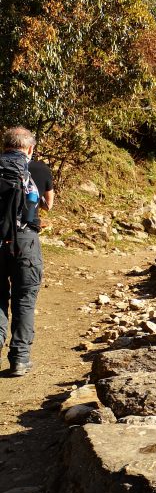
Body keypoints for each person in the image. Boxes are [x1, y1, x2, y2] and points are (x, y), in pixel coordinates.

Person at [0, 127, 45, 377]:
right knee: (24, 300)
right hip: (25, 241)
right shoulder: (38, 170)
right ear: (30, 148)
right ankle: (19, 359)